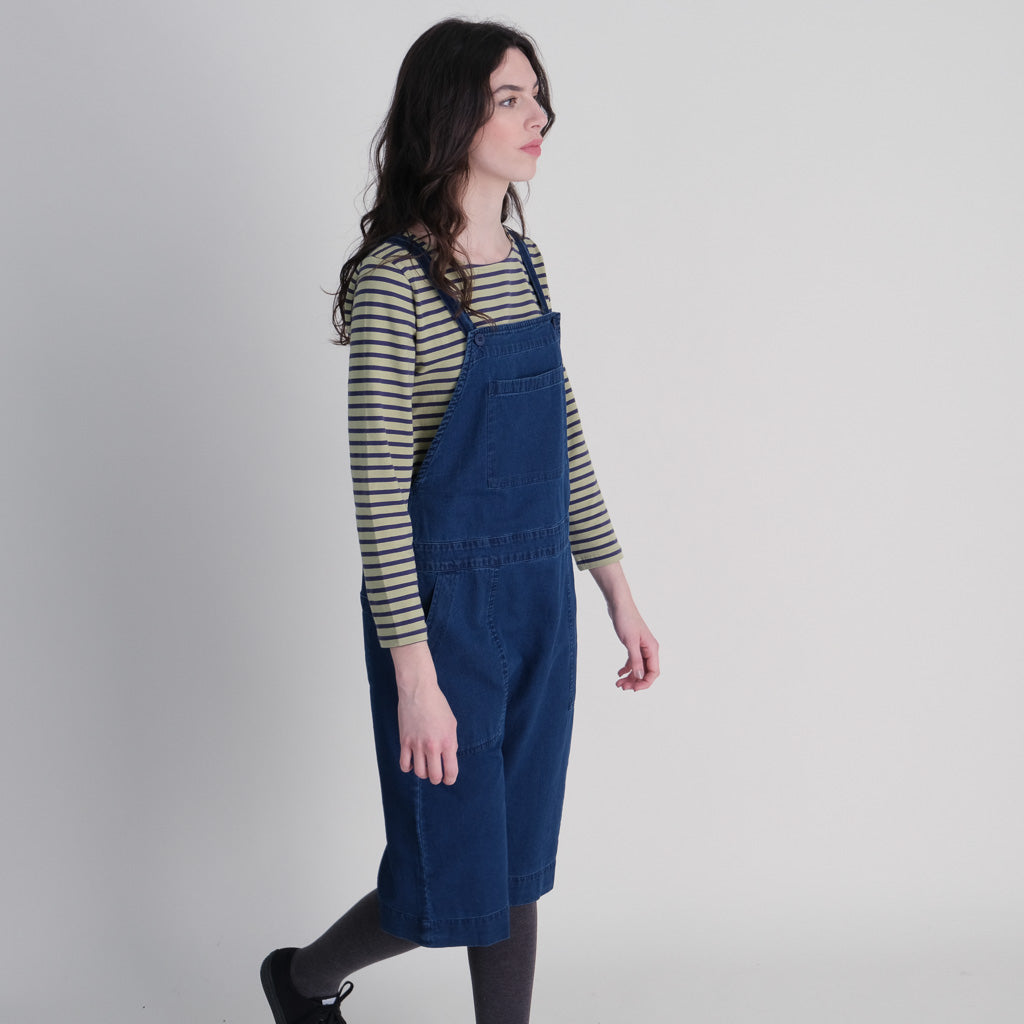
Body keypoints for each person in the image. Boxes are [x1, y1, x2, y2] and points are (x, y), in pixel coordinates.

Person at [261, 17, 660, 1024]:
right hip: (442, 611)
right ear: (450, 114)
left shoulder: (524, 260)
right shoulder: (395, 281)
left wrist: (615, 589)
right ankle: (299, 980)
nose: (539, 116)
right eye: (510, 98)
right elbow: (377, 494)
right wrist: (416, 674)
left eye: (538, 96)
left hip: (540, 596)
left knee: (516, 859)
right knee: (450, 869)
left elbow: (562, 436)